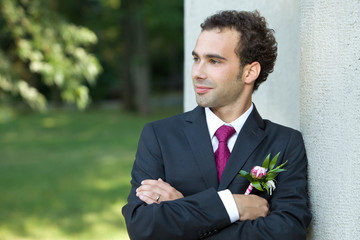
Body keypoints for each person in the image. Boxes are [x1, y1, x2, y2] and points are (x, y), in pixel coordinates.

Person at [122, 10, 311, 240]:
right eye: (196, 59)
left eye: (214, 61)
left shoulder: (285, 143)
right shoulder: (159, 136)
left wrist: (183, 208)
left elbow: (286, 233)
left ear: (250, 72)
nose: (197, 73)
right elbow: (142, 227)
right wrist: (233, 206)